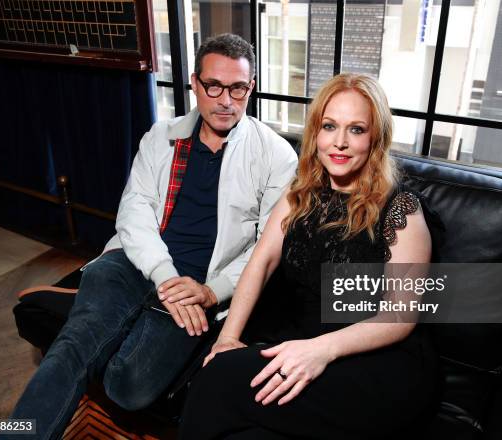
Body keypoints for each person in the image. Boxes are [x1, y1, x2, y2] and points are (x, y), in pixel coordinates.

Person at [0, 33, 297, 439]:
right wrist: (162, 275)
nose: (225, 100)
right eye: (213, 85)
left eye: (238, 88)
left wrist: (213, 292)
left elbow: (268, 247)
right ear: (195, 82)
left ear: (251, 87)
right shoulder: (162, 137)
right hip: (135, 264)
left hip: (196, 289)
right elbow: (133, 213)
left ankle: (92, 310)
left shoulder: (276, 155)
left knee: (130, 388)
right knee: (73, 348)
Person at [178, 73, 440, 440]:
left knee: (217, 380)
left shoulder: (401, 209)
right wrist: (227, 338)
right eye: (330, 126)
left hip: (380, 364)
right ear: (316, 131)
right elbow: (261, 263)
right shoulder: (298, 196)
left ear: (375, 139)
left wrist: (321, 351)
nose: (341, 143)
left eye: (357, 129)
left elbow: (399, 317)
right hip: (306, 344)